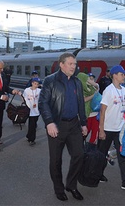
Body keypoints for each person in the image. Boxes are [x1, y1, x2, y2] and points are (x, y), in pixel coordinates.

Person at [39, 53, 88, 201]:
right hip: (57, 124)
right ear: (61, 64)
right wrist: (49, 122)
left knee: (79, 155)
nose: (74, 66)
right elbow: (43, 103)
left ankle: (71, 185)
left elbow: (81, 104)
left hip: (73, 124)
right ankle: (58, 188)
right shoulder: (50, 81)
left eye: (75, 64)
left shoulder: (77, 82)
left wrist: (84, 123)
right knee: (56, 160)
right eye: (71, 64)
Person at [98, 65, 125, 191]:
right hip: (108, 128)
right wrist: (101, 130)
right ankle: (98, 174)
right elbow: (102, 111)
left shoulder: (124, 91)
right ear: (114, 75)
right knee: (101, 154)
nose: (124, 76)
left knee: (123, 155)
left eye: (124, 74)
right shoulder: (108, 91)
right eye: (122, 74)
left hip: (120, 129)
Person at [77, 72, 100, 148]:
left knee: (94, 134)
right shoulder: (81, 89)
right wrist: (94, 95)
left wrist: (95, 86)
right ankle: (80, 148)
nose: (91, 80)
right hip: (87, 115)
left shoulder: (94, 87)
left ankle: (91, 149)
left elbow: (97, 87)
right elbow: (83, 100)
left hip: (95, 114)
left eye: (92, 78)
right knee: (84, 133)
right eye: (88, 78)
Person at [23, 77, 42, 146]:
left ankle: (30, 137)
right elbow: (25, 98)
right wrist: (28, 105)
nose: (36, 85)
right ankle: (31, 138)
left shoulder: (39, 91)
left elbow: (41, 99)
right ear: (32, 83)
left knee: (33, 125)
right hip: (29, 110)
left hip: (36, 111)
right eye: (35, 83)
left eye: (37, 84)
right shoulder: (27, 90)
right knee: (32, 125)